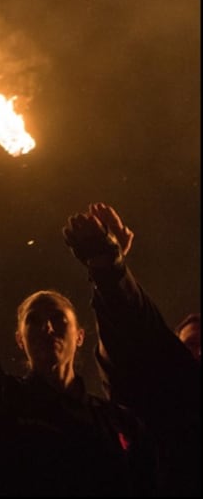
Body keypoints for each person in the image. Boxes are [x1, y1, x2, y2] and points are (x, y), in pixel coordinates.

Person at [0, 193, 155, 496]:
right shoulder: (2, 403)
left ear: (80, 336)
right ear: (20, 340)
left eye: (58, 319)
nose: (47, 328)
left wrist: (111, 267)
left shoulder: (118, 424)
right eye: (34, 320)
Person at [63, 202, 199, 496]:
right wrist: (109, 269)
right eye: (191, 346)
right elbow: (136, 330)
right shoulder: (155, 404)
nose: (198, 355)